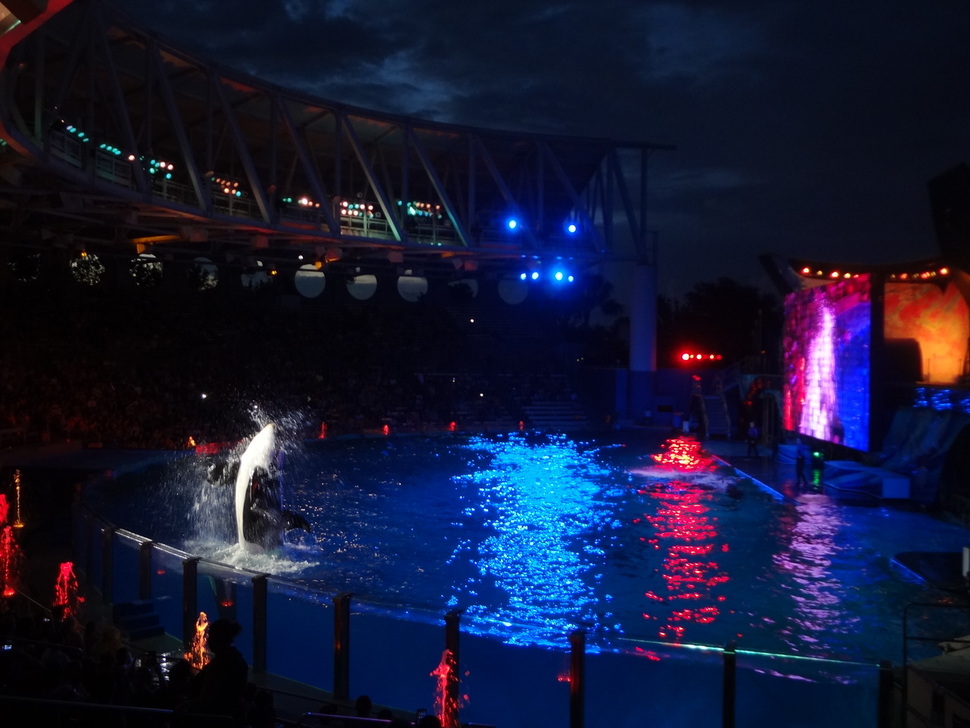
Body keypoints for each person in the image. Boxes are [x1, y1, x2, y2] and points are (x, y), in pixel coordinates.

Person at [189, 618, 249, 725]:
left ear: (219, 639)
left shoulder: (220, 664)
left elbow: (210, 697)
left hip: (216, 720)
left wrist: (186, 706)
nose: (207, 640)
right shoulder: (237, 661)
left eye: (211, 636)